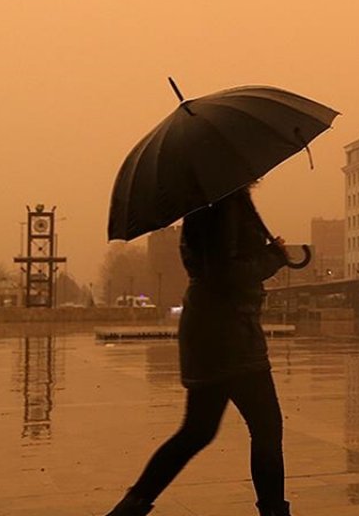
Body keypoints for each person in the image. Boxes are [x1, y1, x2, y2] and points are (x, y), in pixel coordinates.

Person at [105, 186, 293, 516]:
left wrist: (265, 252)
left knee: (197, 431)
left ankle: (130, 508)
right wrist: (273, 257)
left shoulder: (209, 202)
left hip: (213, 331)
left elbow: (221, 264)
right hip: (231, 334)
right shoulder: (224, 203)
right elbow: (226, 273)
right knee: (265, 428)